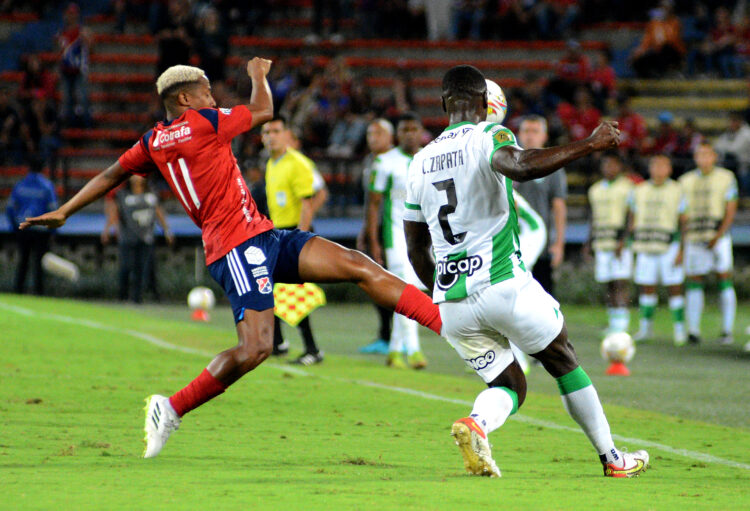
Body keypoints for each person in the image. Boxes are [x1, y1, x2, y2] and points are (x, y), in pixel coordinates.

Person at [20, 59, 443, 459]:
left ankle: (447, 322)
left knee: (357, 265)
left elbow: (111, 174)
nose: (213, 98)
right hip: (237, 247)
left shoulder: (153, 141)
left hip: (263, 236)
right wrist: (258, 74)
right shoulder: (201, 123)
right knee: (256, 347)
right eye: (206, 92)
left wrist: (65, 211)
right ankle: (169, 408)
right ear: (186, 99)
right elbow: (263, 109)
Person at [404, 65, 648, 478]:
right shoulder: (490, 135)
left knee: (509, 385)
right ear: (485, 104)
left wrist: (441, 294)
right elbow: (520, 166)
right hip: (503, 285)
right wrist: (588, 144)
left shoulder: (419, 161)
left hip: (453, 303)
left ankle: (476, 423)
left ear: (444, 104)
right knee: (563, 360)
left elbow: (415, 248)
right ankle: (613, 459)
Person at [365, 112, 428, 370]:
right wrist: (373, 241)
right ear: (397, 134)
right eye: (405, 129)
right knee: (408, 291)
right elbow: (374, 204)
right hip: (395, 238)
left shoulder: (430, 157)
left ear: (421, 131)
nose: (410, 134)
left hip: (424, 238)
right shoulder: (385, 162)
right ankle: (413, 350)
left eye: (414, 129)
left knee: (410, 291)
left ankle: (393, 351)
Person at [261, 116, 325, 365]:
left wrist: (299, 239)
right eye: (267, 132)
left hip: (293, 234)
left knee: (294, 293)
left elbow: (307, 204)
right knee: (268, 287)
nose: (271, 136)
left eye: (276, 131)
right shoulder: (271, 163)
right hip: (277, 232)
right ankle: (277, 343)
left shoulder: (297, 163)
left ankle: (312, 349)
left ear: (287, 135)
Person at [679, 142, 738, 345]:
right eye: (699, 154)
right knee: (695, 280)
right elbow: (683, 213)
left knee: (724, 278)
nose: (703, 158)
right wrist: (684, 239)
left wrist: (719, 234)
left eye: (707, 154)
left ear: (714, 156)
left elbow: (731, 208)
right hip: (695, 237)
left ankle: (727, 330)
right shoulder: (685, 181)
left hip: (718, 237)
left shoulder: (726, 177)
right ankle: (693, 330)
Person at [627, 155, 687, 345]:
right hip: (645, 245)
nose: (659, 169)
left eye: (663, 166)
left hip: (669, 245)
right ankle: (645, 329)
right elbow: (632, 218)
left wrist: (682, 249)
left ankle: (680, 330)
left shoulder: (678, 190)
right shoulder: (639, 190)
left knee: (674, 287)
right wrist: (631, 242)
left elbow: (684, 221)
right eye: (655, 165)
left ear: (669, 169)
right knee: (646, 287)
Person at [513, 115, 567, 295]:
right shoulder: (508, 163)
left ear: (544, 136)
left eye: (535, 131)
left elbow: (558, 206)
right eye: (526, 131)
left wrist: (559, 244)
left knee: (543, 295)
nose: (530, 136)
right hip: (512, 242)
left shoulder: (553, 165)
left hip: (542, 244)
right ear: (519, 134)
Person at [102, 175, 174, 303]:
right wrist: (108, 229)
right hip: (127, 237)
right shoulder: (123, 194)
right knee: (125, 267)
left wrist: (167, 230)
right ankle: (122, 296)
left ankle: (137, 298)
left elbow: (158, 211)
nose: (137, 178)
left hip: (146, 238)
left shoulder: (151, 194)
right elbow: (114, 211)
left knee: (142, 269)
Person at [357, 119, 395, 355]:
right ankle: (385, 335)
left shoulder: (396, 161)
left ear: (390, 137)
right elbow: (369, 204)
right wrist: (365, 232)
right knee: (376, 283)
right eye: (370, 133)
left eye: (378, 133)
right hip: (375, 229)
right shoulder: (369, 161)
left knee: (396, 281)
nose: (373, 138)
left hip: (394, 230)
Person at [586, 152, 634, 334]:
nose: (609, 168)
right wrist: (588, 242)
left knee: (620, 282)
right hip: (601, 241)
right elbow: (593, 217)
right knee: (608, 283)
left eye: (612, 164)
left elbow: (631, 216)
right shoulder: (595, 190)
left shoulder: (628, 188)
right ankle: (613, 323)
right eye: (605, 164)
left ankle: (622, 325)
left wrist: (624, 239)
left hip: (619, 244)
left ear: (619, 166)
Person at [6, 158, 58, 295]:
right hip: (41, 231)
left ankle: (18, 291)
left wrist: (14, 227)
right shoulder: (47, 186)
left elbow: (10, 208)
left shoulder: (20, 185)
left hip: (24, 228)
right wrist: (53, 231)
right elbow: (53, 210)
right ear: (43, 168)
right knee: (39, 264)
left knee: (23, 261)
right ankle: (39, 293)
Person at [56, 2, 91, 127]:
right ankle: (69, 124)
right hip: (66, 70)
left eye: (73, 14)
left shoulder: (82, 31)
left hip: (78, 70)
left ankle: (86, 124)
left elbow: (89, 46)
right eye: (69, 14)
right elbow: (60, 51)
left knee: (82, 98)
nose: (71, 16)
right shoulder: (62, 33)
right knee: (67, 100)